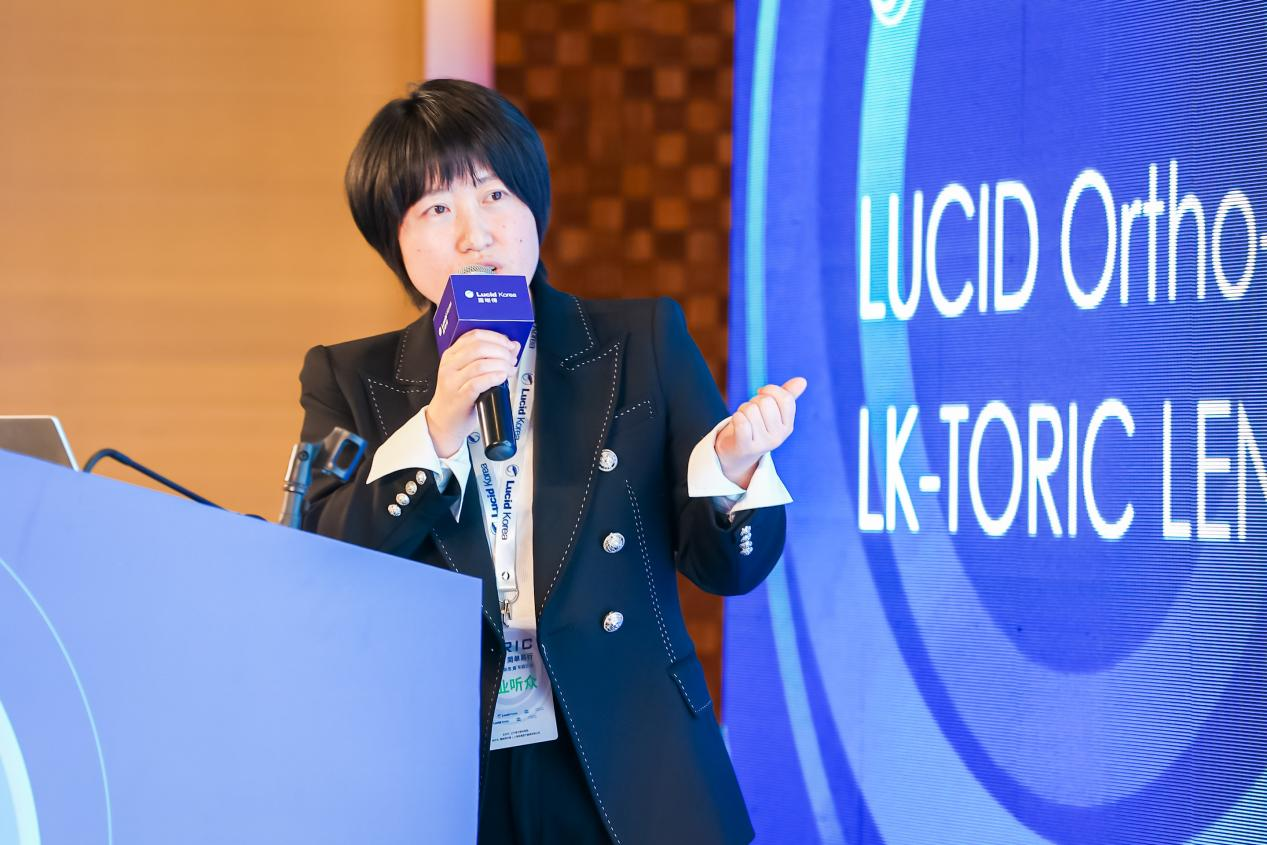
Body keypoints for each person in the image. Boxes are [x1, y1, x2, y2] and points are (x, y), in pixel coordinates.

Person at [296, 78, 806, 844]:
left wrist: (731, 471)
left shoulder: (640, 341)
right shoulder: (348, 378)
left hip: (628, 756)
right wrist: (437, 425)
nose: (476, 234)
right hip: (445, 767)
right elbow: (321, 565)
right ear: (391, 241)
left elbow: (725, 569)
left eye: (494, 195)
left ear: (533, 205)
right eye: (436, 209)